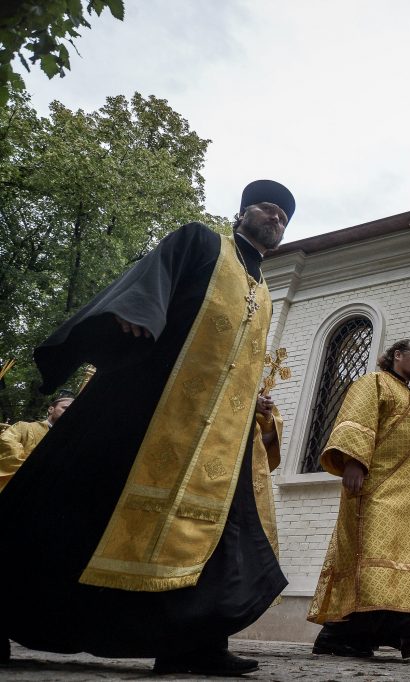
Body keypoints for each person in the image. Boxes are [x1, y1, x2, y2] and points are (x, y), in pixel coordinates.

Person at [0, 180, 295, 675]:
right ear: (243, 212)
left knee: (217, 532)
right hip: (144, 404)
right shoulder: (202, 241)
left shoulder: (263, 289)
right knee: (75, 504)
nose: (277, 219)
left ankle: (193, 644)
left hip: (215, 440)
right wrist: (137, 312)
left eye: (286, 217)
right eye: (269, 208)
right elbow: (152, 277)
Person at [308, 339, 410, 659]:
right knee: (371, 554)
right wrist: (353, 461)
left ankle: (348, 636)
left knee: (396, 559)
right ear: (397, 355)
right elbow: (358, 420)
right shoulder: (373, 382)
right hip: (376, 487)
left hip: (408, 496)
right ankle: (406, 628)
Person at [0, 393, 73, 492]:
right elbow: (6, 443)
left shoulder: (69, 441)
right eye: (65, 408)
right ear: (51, 409)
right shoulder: (23, 427)